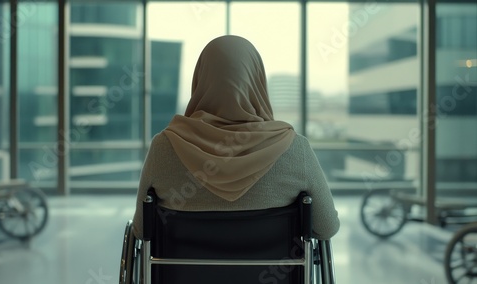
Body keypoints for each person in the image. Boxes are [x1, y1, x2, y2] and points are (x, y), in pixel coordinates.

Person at [132, 35, 339, 240]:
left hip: (179, 273)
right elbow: (327, 227)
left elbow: (142, 231)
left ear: (200, 79)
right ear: (257, 81)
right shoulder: (295, 149)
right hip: (273, 273)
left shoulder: (165, 146)